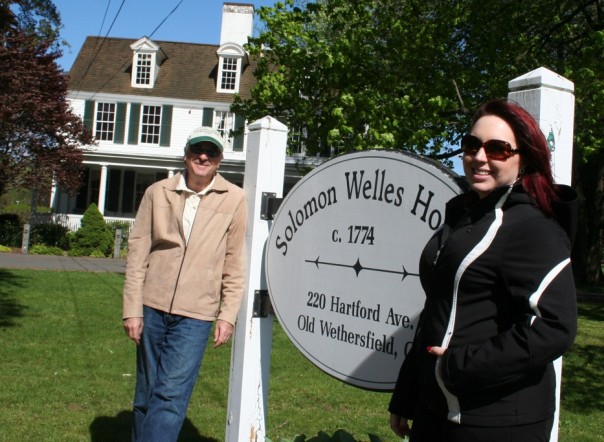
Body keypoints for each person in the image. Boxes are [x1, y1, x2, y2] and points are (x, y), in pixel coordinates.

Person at [388, 100, 578, 441]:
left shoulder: (531, 229)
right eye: (472, 145)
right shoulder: (463, 218)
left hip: (496, 421)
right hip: (436, 412)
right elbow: (437, 309)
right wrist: (408, 392)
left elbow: (554, 327)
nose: (479, 157)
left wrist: (453, 368)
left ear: (524, 159)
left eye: (498, 149)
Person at [122, 126, 247, 442]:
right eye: (197, 150)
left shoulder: (234, 199)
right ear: (186, 154)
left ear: (219, 160)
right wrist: (132, 309)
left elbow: (234, 263)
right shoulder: (157, 192)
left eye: (211, 152)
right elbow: (137, 254)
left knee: (170, 397)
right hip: (151, 307)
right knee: (146, 395)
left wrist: (227, 314)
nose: (203, 156)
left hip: (196, 315)